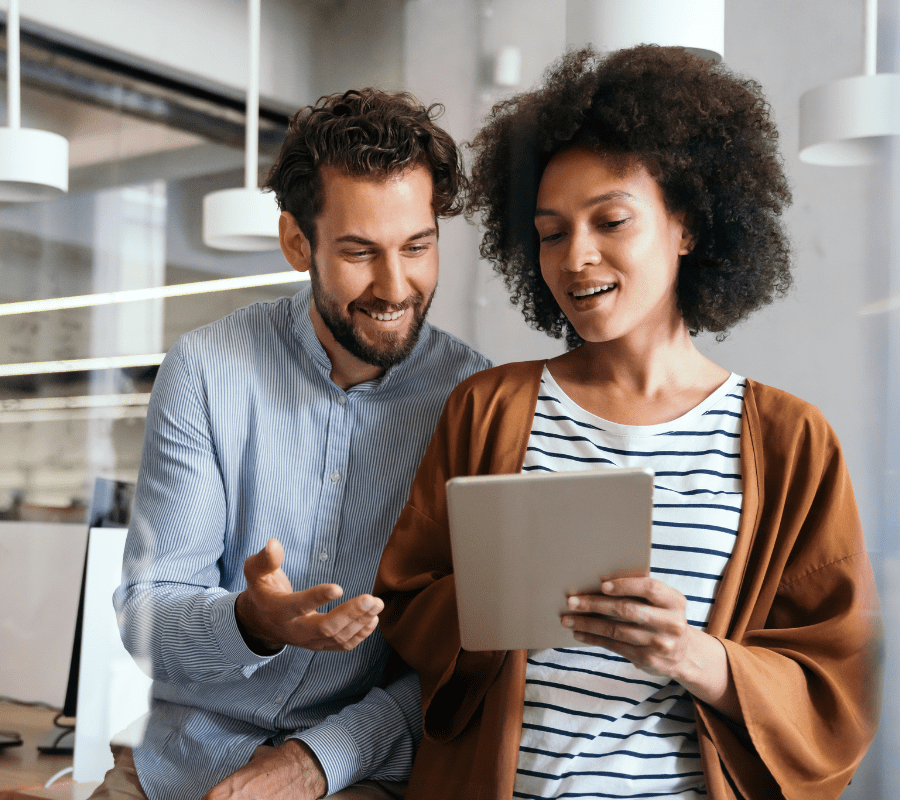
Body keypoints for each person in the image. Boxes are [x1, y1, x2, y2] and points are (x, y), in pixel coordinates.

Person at [375, 46, 880, 800]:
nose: (576, 256)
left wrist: (693, 655)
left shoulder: (790, 441)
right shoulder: (489, 408)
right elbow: (408, 602)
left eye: (611, 220)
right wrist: (503, 590)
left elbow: (839, 678)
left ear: (688, 225)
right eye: (550, 232)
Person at [95, 88, 491, 800]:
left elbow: (464, 657)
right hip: (181, 769)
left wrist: (314, 762)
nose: (395, 285)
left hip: (360, 772)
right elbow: (146, 617)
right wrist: (250, 622)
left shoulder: (473, 399)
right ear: (296, 243)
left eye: (418, 247)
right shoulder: (207, 370)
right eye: (360, 252)